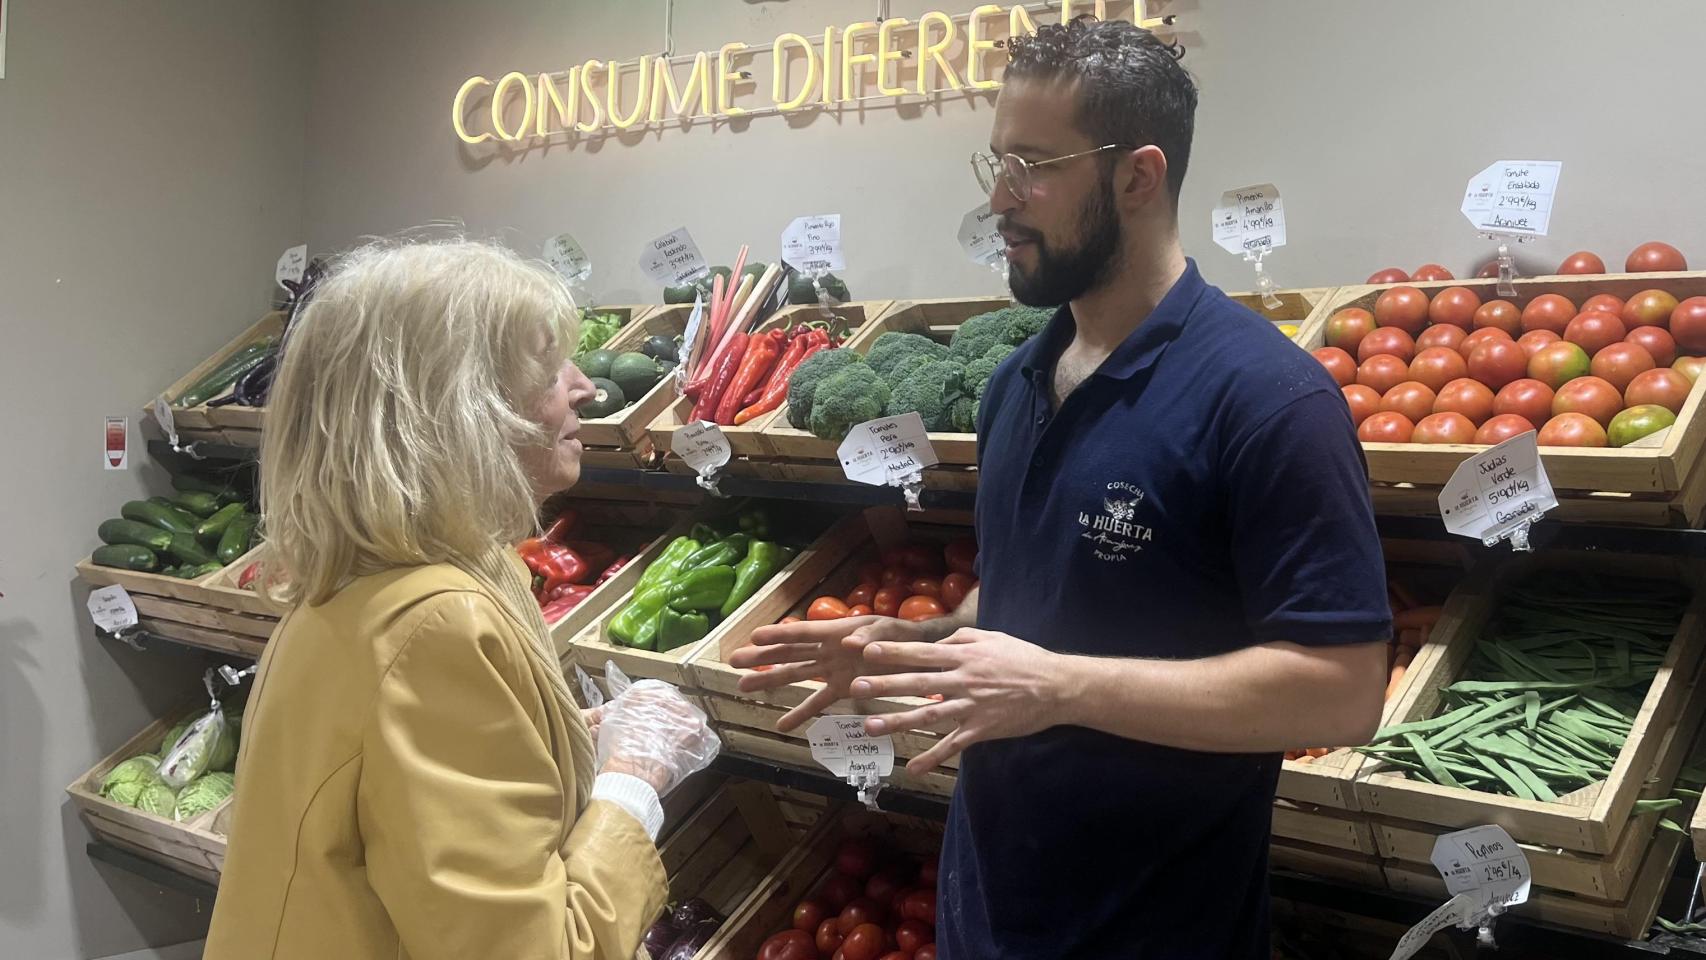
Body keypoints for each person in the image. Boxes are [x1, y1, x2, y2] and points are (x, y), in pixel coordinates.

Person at [731, 18, 1390, 959]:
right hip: (990, 905)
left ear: (1137, 176)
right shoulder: (1016, 385)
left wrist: (1060, 688)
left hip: (1157, 929)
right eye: (995, 163)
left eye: (1034, 166)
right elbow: (1029, 605)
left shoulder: (1268, 400)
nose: (1000, 199)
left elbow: (1342, 691)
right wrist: (912, 645)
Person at [206, 240, 719, 960]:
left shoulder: (379, 579)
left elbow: (389, 792)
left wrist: (563, 733)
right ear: (457, 408)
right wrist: (632, 786)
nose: (586, 387)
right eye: (546, 369)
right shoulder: (437, 623)